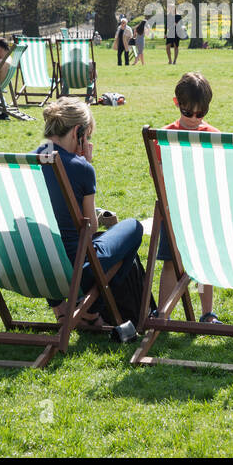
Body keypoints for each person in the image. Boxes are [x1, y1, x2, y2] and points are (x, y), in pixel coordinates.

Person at [36, 98, 144, 326]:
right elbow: (91, 228)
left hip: (38, 263)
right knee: (134, 227)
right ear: (78, 132)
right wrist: (86, 163)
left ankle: (60, 309)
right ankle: (91, 309)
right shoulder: (81, 167)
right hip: (76, 269)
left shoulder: (28, 161)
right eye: (89, 136)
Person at [154, 72, 221, 322]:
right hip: (173, 211)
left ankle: (207, 312)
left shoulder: (215, 136)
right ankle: (163, 314)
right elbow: (159, 178)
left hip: (203, 210)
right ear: (176, 103)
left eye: (200, 114)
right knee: (171, 263)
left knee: (204, 266)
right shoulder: (162, 136)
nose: (194, 119)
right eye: (188, 112)